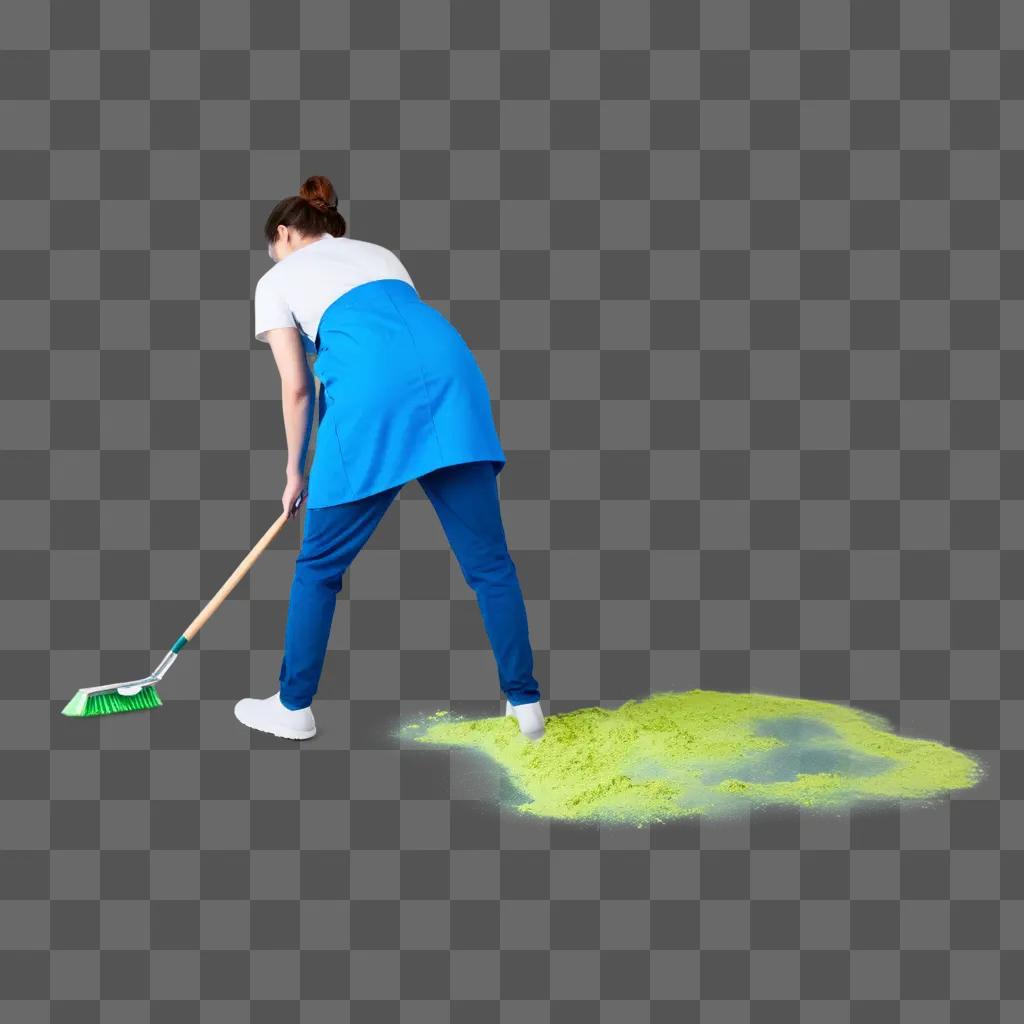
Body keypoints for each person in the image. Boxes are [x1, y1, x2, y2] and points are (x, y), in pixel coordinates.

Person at [233, 175, 545, 742]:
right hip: (454, 379)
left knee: (319, 567)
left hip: (375, 397)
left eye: (272, 245)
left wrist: (294, 469)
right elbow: (392, 333)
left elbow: (298, 387)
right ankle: (526, 708)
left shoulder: (275, 278)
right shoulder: (380, 254)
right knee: (490, 564)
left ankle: (293, 706)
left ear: (282, 233)